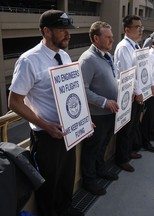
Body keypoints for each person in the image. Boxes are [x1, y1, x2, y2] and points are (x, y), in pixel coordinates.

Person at [8, 10, 78, 216]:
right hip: (46, 136)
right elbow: (14, 102)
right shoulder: (29, 60)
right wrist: (46, 126)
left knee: (66, 177)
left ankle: (65, 209)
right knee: (48, 184)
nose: (68, 34)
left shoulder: (64, 55)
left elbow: (72, 91)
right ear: (47, 31)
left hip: (69, 130)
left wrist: (82, 119)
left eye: (68, 30)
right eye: (62, 30)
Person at [78, 21, 119, 196]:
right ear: (96, 38)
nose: (112, 40)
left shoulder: (106, 56)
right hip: (97, 115)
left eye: (112, 37)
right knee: (92, 149)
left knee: (103, 145)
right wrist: (103, 102)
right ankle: (89, 181)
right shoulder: (87, 59)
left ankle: (100, 169)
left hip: (110, 112)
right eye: (108, 37)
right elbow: (82, 89)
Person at [114, 15, 153, 172]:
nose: (140, 30)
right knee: (126, 128)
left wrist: (147, 87)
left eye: (141, 27)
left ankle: (129, 151)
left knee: (133, 125)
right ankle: (121, 159)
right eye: (137, 27)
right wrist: (138, 92)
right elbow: (127, 72)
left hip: (137, 93)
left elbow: (142, 69)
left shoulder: (136, 45)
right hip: (128, 95)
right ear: (127, 29)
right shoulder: (124, 47)